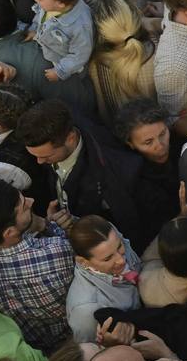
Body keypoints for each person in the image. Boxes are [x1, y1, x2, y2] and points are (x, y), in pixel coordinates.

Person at [0, 179, 73, 352]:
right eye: (24, 206)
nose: (31, 201)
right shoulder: (58, 251)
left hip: (26, 345)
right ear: (9, 232)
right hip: (69, 338)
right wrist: (46, 224)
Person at [16, 99, 146, 249]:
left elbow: (128, 229)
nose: (39, 162)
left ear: (70, 138)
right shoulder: (53, 125)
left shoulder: (117, 174)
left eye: (47, 156)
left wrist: (77, 227)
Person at [25, 0, 92, 83]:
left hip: (67, 68)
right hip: (46, 49)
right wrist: (35, 29)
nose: (35, 0)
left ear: (60, 3)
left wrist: (60, 71)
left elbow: (79, 55)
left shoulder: (80, 26)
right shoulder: (50, 6)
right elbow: (40, 15)